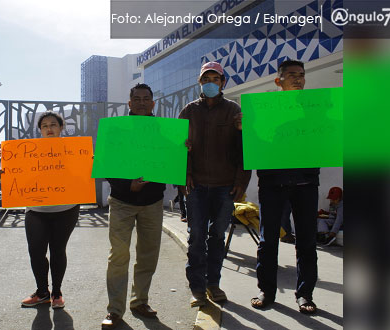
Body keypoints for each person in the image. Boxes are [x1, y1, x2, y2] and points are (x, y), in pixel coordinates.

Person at [179, 61, 251, 307]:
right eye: (206, 79)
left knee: (217, 237)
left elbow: (246, 149)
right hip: (196, 186)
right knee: (196, 236)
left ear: (223, 82)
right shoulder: (188, 111)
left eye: (215, 79)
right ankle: (197, 288)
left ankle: (214, 284)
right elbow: (179, 148)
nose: (211, 83)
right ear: (200, 82)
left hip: (224, 187)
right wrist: (184, 175)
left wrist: (242, 181)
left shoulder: (234, 111)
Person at [251, 60, 320, 314]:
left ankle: (305, 294)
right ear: (278, 81)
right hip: (272, 184)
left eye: (301, 75)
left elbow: (327, 137)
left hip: (306, 183)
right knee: (268, 241)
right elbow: (257, 139)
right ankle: (266, 291)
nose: (298, 79)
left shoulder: (316, 108)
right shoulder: (266, 109)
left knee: (306, 242)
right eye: (292, 75)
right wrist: (245, 128)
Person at [102, 83, 166, 329]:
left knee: (148, 255)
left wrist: (183, 150)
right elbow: (107, 163)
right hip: (121, 202)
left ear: (153, 103)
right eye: (136, 98)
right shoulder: (116, 129)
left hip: (153, 202)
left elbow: (170, 160)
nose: (141, 102)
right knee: (118, 256)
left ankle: (140, 301)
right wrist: (129, 185)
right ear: (129, 103)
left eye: (146, 98)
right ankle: (114, 310)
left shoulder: (164, 130)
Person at [17, 111, 81, 309]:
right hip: (36, 210)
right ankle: (42, 292)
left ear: (61, 128)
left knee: (57, 251)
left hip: (66, 209)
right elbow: (17, 175)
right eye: (45, 126)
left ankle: (57, 293)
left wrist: (87, 161)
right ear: (40, 130)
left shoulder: (73, 149)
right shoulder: (27, 150)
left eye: (53, 124)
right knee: (36, 252)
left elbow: (81, 173)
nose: (49, 128)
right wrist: (6, 173)